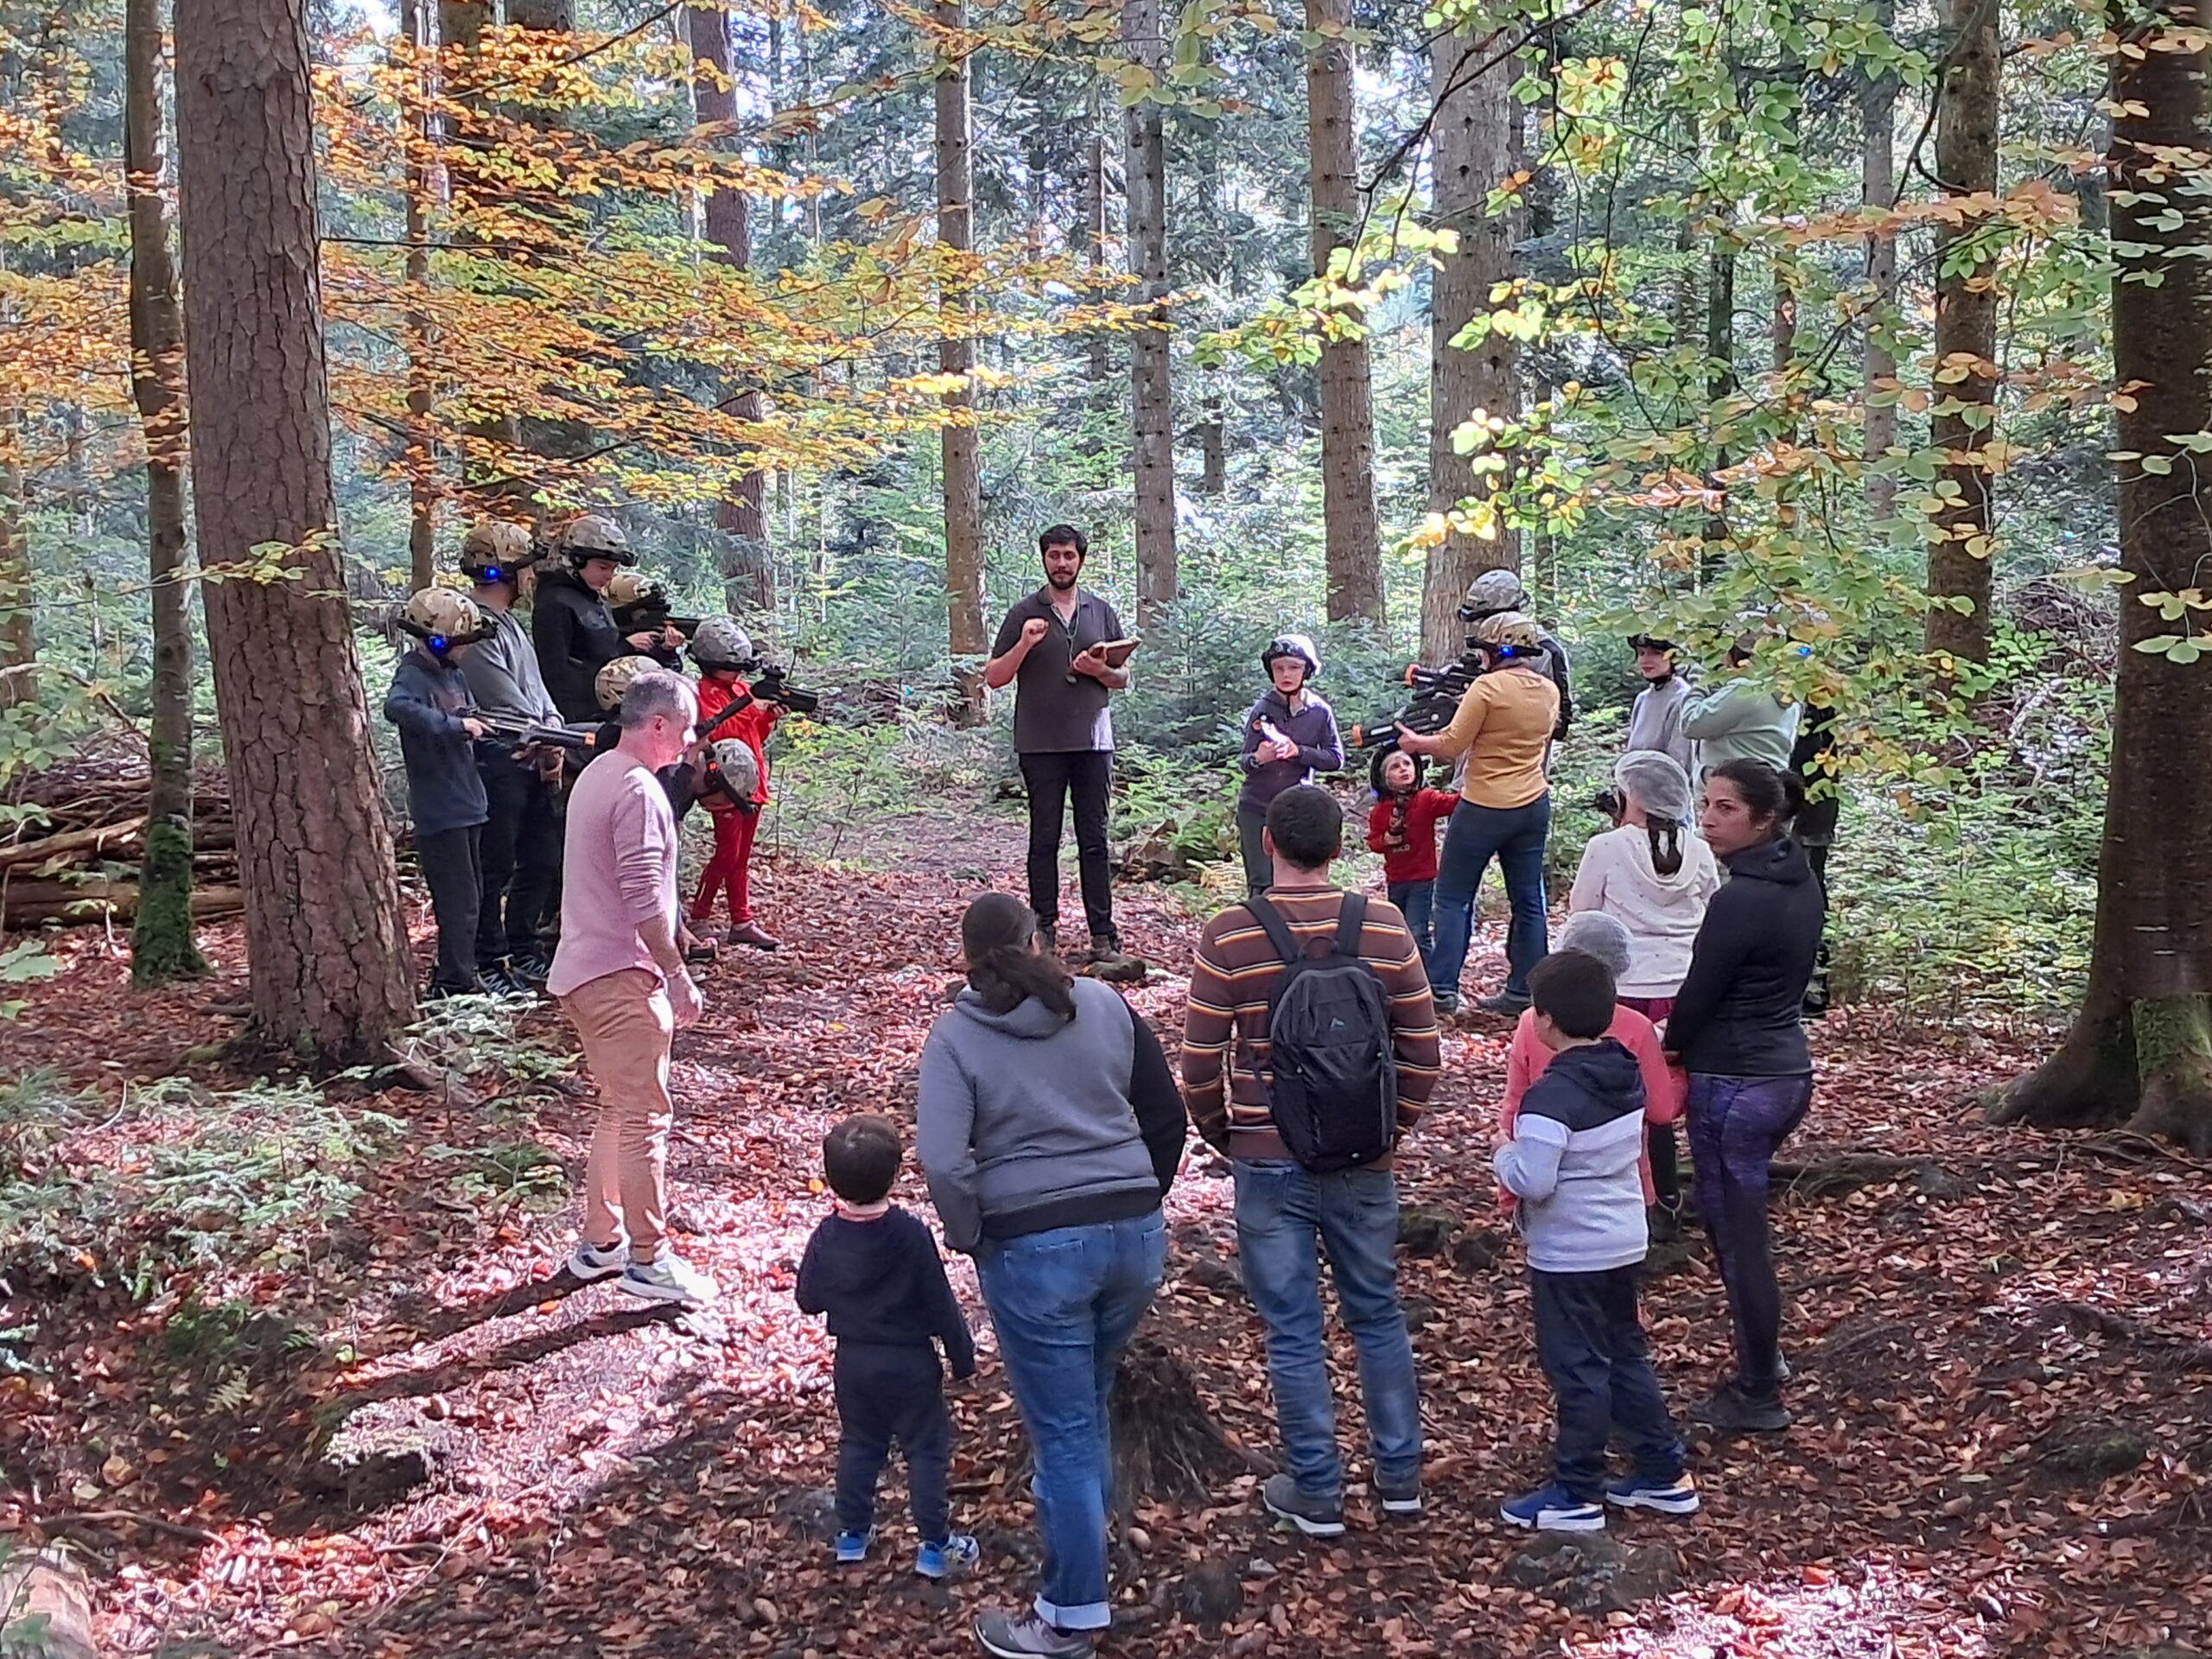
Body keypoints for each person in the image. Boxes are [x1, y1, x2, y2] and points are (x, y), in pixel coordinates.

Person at [915, 892, 1185, 1659]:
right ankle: (1080, 1572)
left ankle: (1070, 1614)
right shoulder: (1103, 1004)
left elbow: (941, 1159)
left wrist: (974, 1236)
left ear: (965, 957)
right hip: (1132, 1239)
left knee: (1064, 1433)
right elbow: (1165, 1116)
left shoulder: (956, 1037)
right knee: (1085, 1404)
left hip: (1034, 1251)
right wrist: (1137, 1202)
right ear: (1037, 940)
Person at [1181, 785, 1440, 1539]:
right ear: (1341, 846)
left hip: (1268, 1161)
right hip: (1365, 1160)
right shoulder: (1385, 927)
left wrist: (1226, 1136)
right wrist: (1392, 1132)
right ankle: (1400, 1480)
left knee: (1292, 1329)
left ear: (1268, 844)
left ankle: (1317, 1490)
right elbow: (1423, 1053)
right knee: (1378, 1314)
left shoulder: (1231, 934)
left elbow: (1201, 1061)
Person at [1494, 950, 1695, 1532]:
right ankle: (1663, 1472)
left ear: (1546, 1021)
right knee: (1625, 1353)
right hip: (1623, 1237)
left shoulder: (1550, 1098)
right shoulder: (1622, 1069)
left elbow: (1535, 1178)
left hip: (1570, 1252)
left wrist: (1502, 1155)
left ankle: (1576, 1491)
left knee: (1578, 1366)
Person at [1665, 759, 1825, 1433]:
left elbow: (1701, 995)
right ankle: (1766, 1360)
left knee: (1739, 1238)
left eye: (1726, 808)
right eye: (1706, 804)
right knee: (1740, 1231)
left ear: (1765, 818)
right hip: (1785, 1076)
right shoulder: (1799, 876)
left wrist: (1668, 1049)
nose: (1707, 818)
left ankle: (1759, 1390)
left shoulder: (1741, 898)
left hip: (1739, 1085)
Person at [550, 669, 717, 1308]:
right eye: (684, 728)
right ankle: (648, 1258)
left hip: (585, 971)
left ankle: (602, 1243)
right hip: (618, 977)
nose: (690, 740)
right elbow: (644, 895)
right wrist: (676, 974)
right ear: (656, 726)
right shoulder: (638, 789)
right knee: (645, 1116)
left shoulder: (596, 774)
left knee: (619, 1110)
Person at [795, 1114, 979, 1580]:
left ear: (831, 1177)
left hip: (853, 1363)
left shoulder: (827, 1236)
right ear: (897, 1174)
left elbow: (807, 1299)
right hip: (911, 1362)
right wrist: (962, 1360)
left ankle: (853, 1535)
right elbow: (941, 1304)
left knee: (859, 1443)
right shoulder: (910, 1234)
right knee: (924, 1449)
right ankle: (936, 1546)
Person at [1567, 752, 1717, 1227]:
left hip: (1624, 990)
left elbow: (1584, 916)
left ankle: (1635, 1198)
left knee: (1622, 1096)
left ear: (1631, 797)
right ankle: (1679, 1197)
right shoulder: (1701, 849)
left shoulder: (1606, 847)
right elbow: (1712, 914)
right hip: (1686, 989)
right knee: (1670, 1097)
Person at [1395, 610, 1560, 1017]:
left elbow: (1452, 744)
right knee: (1529, 900)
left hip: (1484, 805)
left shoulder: (1487, 688)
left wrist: (1416, 743)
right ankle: (1525, 991)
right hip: (1533, 803)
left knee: (1452, 898)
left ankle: (1442, 990)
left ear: (1497, 650)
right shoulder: (1548, 690)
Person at [982, 525, 1133, 968]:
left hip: (1093, 742)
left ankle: (1102, 934)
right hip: (1041, 741)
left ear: (1080, 560)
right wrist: (1025, 644)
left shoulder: (1100, 611)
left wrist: (1096, 671)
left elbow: (1122, 678)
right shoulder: (1024, 613)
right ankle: (1042, 928)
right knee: (1044, 838)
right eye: (1054, 555)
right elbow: (994, 677)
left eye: (1069, 555)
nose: (1062, 563)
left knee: (1095, 839)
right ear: (1044, 560)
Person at [1499, 912, 1684, 1221]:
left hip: (1548, 1176)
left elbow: (1515, 1105)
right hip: (1623, 1183)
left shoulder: (1535, 1021)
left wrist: (1509, 1186)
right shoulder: (1637, 1028)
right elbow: (1661, 1110)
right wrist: (1680, 1077)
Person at [455, 521, 565, 992]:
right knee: (495, 866)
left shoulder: (512, 626)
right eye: (526, 569)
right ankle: (488, 960)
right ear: (509, 572)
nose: (532, 578)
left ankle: (524, 950)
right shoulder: (475, 628)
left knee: (541, 857)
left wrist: (554, 734)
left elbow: (537, 692)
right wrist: (545, 736)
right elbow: (502, 702)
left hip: (534, 757)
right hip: (498, 761)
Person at [385, 588, 493, 999]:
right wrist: (454, 727)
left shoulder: (456, 676)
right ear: (437, 640)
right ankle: (454, 986)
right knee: (458, 903)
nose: (467, 651)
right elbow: (398, 708)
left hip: (470, 803)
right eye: (462, 643)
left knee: (475, 899)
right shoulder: (413, 674)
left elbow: (476, 722)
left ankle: (461, 975)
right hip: (440, 810)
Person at [687, 616, 781, 950]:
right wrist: (750, 708)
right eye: (732, 667)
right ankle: (699, 916)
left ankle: (742, 921)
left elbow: (755, 735)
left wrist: (768, 713)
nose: (738, 674)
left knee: (741, 856)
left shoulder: (742, 690)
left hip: (752, 783)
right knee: (726, 854)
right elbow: (717, 734)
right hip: (725, 787)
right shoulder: (704, 694)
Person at [532, 515, 683, 722]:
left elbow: (602, 646)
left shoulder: (595, 598)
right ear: (577, 560)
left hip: (608, 713)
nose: (610, 576)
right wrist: (626, 647)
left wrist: (661, 649)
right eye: (603, 567)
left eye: (614, 569)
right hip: (580, 719)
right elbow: (556, 674)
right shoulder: (555, 603)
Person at [1235, 634, 1344, 895]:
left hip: (1298, 809)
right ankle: (1261, 934)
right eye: (1279, 668)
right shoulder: (1262, 709)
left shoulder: (1319, 711)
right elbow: (1244, 761)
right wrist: (1259, 759)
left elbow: (1335, 758)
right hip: (1257, 808)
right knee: (1261, 884)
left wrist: (1299, 752)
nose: (1286, 674)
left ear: (1306, 670)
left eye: (1293, 667)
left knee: (1300, 880)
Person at [1363, 747, 1458, 976]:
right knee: (1400, 929)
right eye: (1395, 767)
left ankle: (1426, 978)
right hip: (1396, 879)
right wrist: (1385, 839)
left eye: (1407, 764)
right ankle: (1403, 975)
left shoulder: (1425, 799)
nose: (1403, 769)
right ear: (1384, 779)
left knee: (1418, 931)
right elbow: (1373, 842)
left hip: (1422, 878)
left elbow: (1454, 803)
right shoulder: (1380, 811)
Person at [1460, 569, 1573, 741]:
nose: (1483, 626)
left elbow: (1558, 723)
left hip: (1527, 750)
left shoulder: (1547, 652)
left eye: (1488, 619)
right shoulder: (1487, 642)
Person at [1681, 634, 1799, 781]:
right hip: (1764, 786)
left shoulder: (1745, 691)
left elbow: (1691, 724)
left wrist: (1702, 680)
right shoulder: (1787, 693)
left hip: (1730, 790)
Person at [1790, 702, 1841, 1017]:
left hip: (1806, 825)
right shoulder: (1817, 712)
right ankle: (1812, 992)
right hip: (1811, 823)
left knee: (1807, 902)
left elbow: (1803, 768)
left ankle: (1812, 992)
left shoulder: (1809, 714)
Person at [1624, 633, 1694, 773]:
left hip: (1664, 787)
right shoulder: (1642, 698)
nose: (1645, 660)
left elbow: (1677, 760)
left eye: (1655, 653)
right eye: (1641, 653)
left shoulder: (1682, 698)